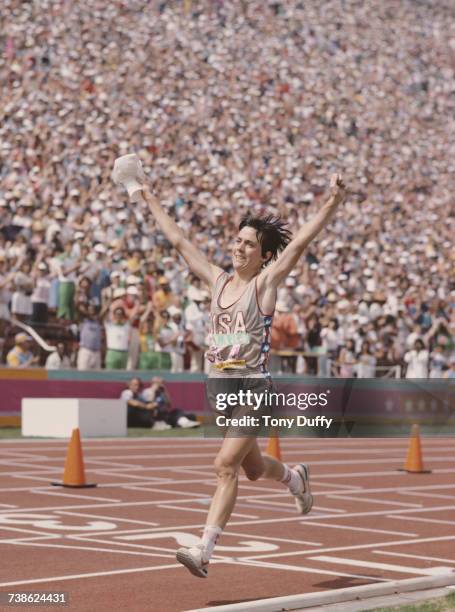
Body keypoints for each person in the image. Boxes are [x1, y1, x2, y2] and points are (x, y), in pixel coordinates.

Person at [139, 172, 347, 578]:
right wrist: (144, 193)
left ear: (264, 255)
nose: (239, 247)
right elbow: (180, 241)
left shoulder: (265, 283)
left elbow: (300, 244)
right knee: (252, 469)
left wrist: (331, 203)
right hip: (222, 388)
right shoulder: (217, 280)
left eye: (249, 244)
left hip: (254, 387)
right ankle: (294, 477)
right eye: (237, 240)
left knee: (225, 465)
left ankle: (204, 549)